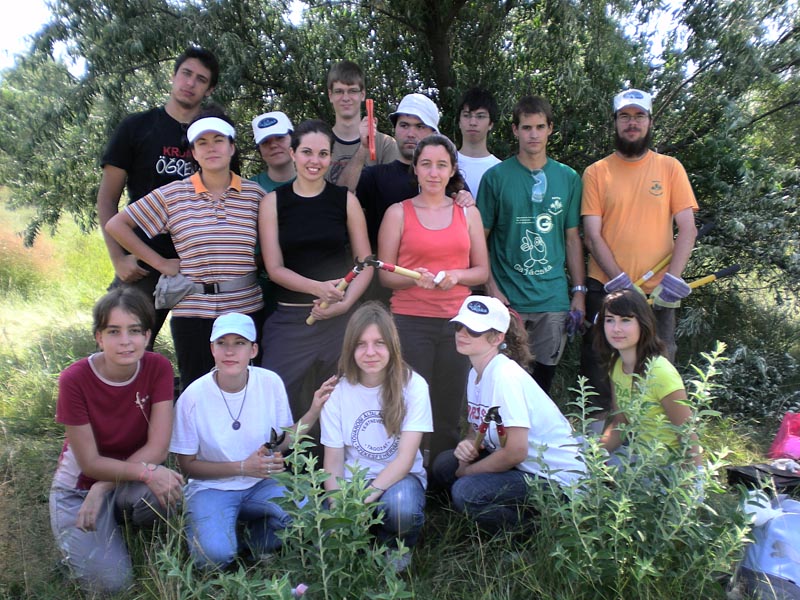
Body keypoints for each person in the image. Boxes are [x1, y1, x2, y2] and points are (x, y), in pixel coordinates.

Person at [106, 109, 264, 391]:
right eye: (202, 142)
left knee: (245, 390)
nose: (211, 148)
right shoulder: (174, 194)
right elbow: (117, 225)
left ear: (232, 147)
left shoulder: (255, 195)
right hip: (193, 313)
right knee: (197, 391)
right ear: (193, 152)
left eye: (218, 140)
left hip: (244, 309)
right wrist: (160, 263)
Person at [170, 312, 336, 570]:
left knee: (312, 517)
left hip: (261, 483)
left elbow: (280, 442)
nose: (230, 351)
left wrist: (314, 410)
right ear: (212, 349)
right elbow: (187, 466)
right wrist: (242, 467)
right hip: (212, 488)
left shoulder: (269, 382)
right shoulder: (193, 397)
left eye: (240, 343)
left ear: (253, 350)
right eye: (222, 343)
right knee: (213, 557)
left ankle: (250, 539)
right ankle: (219, 534)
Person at [49, 288, 184, 595]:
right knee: (112, 586)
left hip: (123, 480)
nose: (125, 341)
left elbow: (158, 448)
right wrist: (96, 486)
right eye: (114, 331)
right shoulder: (75, 379)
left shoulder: (158, 367)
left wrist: (104, 487)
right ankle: (82, 544)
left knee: (170, 489)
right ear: (99, 337)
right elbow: (90, 463)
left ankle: (121, 524)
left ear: (147, 336)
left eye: (134, 331)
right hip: (79, 489)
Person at [581, 88, 699, 418]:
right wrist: (619, 281)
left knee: (658, 370)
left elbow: (688, 229)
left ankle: (654, 439)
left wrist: (672, 280)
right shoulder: (596, 172)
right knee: (601, 368)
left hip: (657, 295)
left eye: (639, 116)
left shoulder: (670, 168)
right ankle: (601, 441)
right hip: (606, 289)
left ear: (650, 121)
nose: (632, 123)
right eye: (625, 116)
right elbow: (592, 235)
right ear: (615, 122)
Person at [97, 47, 220, 349]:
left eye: (201, 79)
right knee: (121, 348)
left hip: (199, 263)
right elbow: (107, 199)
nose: (190, 83)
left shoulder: (213, 136)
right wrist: (118, 258)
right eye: (186, 74)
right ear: (173, 76)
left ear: (209, 89)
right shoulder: (136, 127)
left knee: (205, 353)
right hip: (145, 260)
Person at [378, 134, 488, 465]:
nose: (433, 172)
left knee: (449, 404)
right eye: (426, 164)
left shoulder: (467, 213)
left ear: (452, 169)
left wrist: (456, 276)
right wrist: (414, 278)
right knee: (410, 402)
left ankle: (441, 473)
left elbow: (481, 271)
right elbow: (385, 275)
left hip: (458, 324)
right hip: (410, 321)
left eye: (441, 165)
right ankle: (406, 470)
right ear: (415, 168)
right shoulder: (397, 213)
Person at [258, 119, 372, 440]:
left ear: (331, 158)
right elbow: (274, 268)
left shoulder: (345, 201)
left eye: (323, 154)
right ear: (293, 154)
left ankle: (334, 464)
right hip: (290, 321)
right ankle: (276, 460)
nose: (314, 161)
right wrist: (317, 288)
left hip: (339, 322)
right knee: (276, 397)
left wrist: (344, 304)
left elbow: (366, 264)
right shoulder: (273, 203)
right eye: (307, 152)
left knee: (342, 399)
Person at [432, 296, 585, 532]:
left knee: (466, 491)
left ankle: (538, 530)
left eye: (474, 330)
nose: (462, 333)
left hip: (556, 480)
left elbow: (515, 452)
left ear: (497, 338)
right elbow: (477, 427)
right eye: (459, 326)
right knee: (444, 464)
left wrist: (467, 471)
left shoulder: (505, 376)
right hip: (523, 466)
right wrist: (468, 444)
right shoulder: (476, 372)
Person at [478, 95, 585, 393]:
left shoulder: (568, 178)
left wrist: (579, 292)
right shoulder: (496, 178)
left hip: (552, 299)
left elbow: (572, 238)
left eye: (540, 127)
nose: (533, 134)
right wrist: (491, 289)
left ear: (550, 128)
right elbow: (478, 241)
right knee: (504, 384)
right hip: (507, 300)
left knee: (541, 386)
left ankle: (539, 427)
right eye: (526, 127)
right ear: (515, 130)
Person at [320, 302, 432, 569]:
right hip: (352, 480)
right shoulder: (338, 392)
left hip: (400, 479)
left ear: (392, 346)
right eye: (361, 344)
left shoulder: (414, 385)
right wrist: (338, 509)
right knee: (323, 532)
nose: (370, 352)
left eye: (379, 343)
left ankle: (394, 544)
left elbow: (405, 460)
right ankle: (360, 538)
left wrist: (364, 499)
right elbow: (333, 462)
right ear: (350, 348)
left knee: (402, 508)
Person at [594, 289, 701, 466]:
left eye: (625, 320)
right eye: (609, 320)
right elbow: (621, 422)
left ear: (643, 323)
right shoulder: (616, 364)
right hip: (639, 462)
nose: (616, 328)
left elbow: (688, 435)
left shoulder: (660, 372)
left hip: (668, 470)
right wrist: (593, 457)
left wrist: (693, 479)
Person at [324, 60, 400, 189]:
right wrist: (363, 149)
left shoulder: (385, 145)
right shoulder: (320, 145)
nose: (346, 98)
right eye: (339, 91)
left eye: (352, 91)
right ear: (330, 95)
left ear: (363, 94)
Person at [457, 87, 501, 195]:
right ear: (459, 122)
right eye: (466, 115)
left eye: (480, 116)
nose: (472, 122)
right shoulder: (444, 164)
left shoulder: (501, 170)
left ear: (491, 124)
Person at [250, 110, 296, 192]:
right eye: (265, 142)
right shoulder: (248, 190)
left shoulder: (315, 181)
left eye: (280, 137)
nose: (273, 145)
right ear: (259, 150)